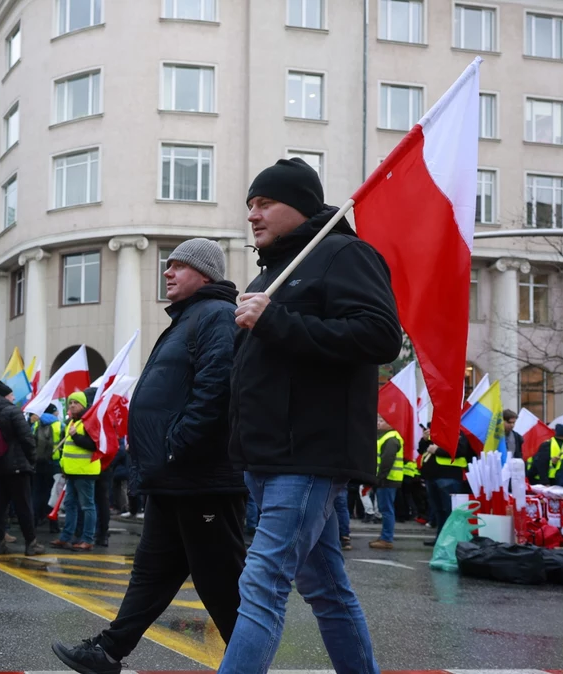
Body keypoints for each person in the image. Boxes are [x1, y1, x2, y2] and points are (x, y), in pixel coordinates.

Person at [221, 158, 402, 673]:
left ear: (300, 207)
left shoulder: (344, 254)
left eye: (265, 203)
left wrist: (274, 320)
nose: (253, 215)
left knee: (262, 584)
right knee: (325, 587)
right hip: (265, 454)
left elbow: (380, 336)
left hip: (307, 454)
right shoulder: (272, 271)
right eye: (250, 205)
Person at [53, 238, 246, 674]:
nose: (167, 273)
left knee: (221, 583)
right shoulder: (186, 319)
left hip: (200, 476)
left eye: (178, 266)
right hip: (173, 477)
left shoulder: (215, 315)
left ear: (205, 274)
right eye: (168, 265)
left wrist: (178, 444)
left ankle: (250, 665)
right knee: (152, 573)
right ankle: (108, 651)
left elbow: (217, 387)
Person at [0, 380, 42, 556]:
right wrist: (32, 461)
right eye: (12, 395)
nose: (14, 398)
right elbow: (26, 438)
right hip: (17, 466)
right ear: (6, 396)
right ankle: (31, 544)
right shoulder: (12, 411)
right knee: (23, 505)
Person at [52, 392, 98, 552]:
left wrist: (76, 436)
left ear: (84, 405)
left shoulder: (89, 422)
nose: (71, 405)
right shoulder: (73, 422)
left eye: (75, 403)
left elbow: (95, 445)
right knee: (70, 505)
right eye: (70, 402)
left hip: (85, 471)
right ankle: (66, 537)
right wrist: (64, 467)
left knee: (87, 506)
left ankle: (87, 539)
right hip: (71, 472)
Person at [420, 432, 473, 546]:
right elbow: (422, 450)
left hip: (449, 476)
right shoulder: (436, 432)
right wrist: (424, 440)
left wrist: (438, 451)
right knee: (438, 511)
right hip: (432, 476)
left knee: (449, 511)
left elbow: (461, 451)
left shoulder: (459, 433)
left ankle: (451, 540)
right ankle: (440, 539)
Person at [369, 417, 404, 550]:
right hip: (387, 479)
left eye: (382, 421)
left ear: (391, 424)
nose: (378, 423)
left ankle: (386, 539)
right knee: (386, 509)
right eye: (378, 420)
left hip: (387, 480)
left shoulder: (391, 438)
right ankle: (385, 536)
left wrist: (379, 478)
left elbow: (386, 461)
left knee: (387, 510)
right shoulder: (387, 436)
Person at [31, 405, 62, 533]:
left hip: (38, 463)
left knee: (37, 492)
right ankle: (53, 524)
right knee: (53, 494)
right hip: (54, 463)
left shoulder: (36, 425)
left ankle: (34, 521)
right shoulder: (60, 425)